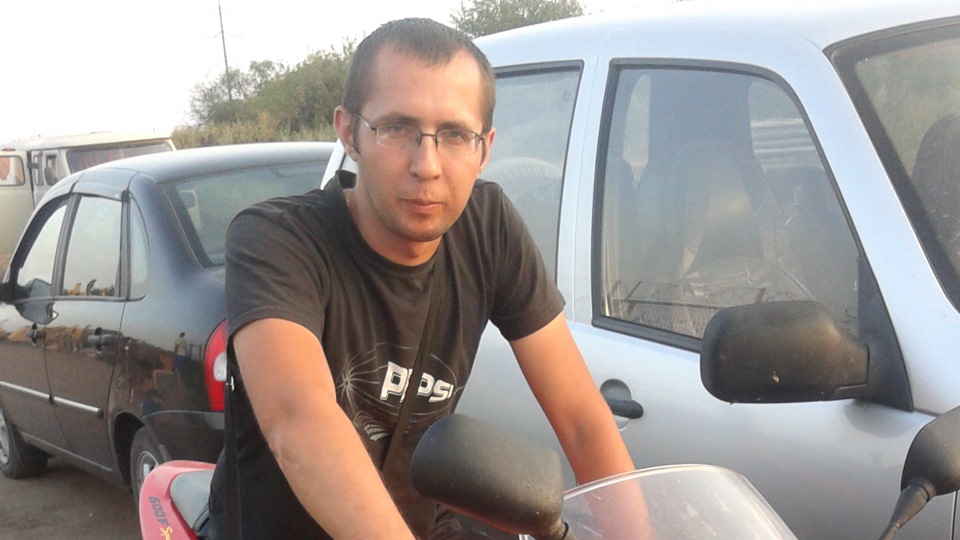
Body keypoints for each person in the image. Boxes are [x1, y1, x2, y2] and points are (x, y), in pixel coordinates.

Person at [206, 17, 636, 539]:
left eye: (455, 134)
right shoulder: (276, 239)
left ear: (485, 148)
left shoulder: (489, 228)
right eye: (397, 129)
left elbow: (581, 418)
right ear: (349, 133)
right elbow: (299, 421)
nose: (427, 165)